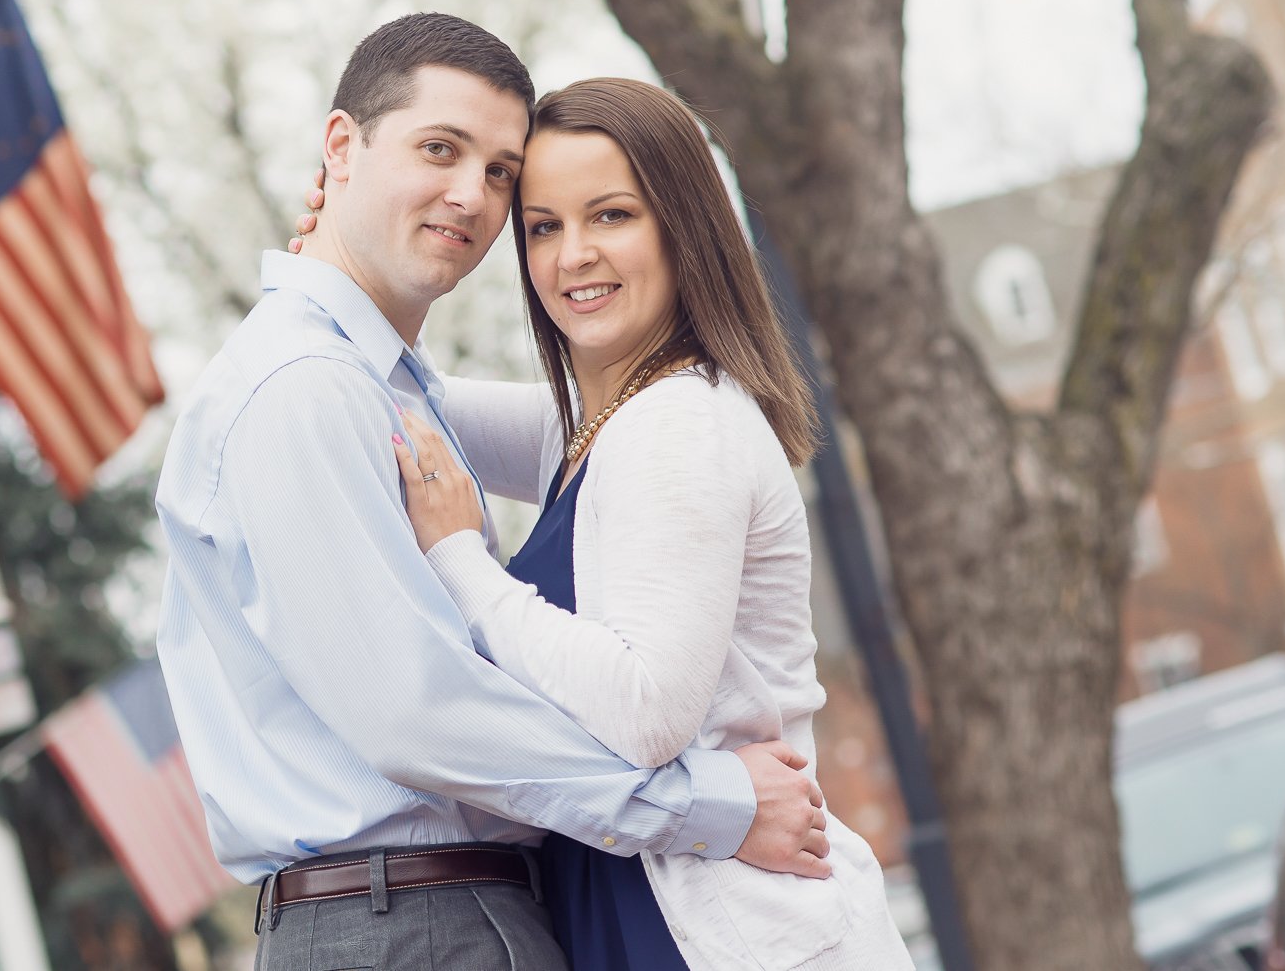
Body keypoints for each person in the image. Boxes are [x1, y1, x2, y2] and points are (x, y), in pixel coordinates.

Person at [155, 15, 832, 971]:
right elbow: (415, 712)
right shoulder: (307, 387)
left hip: (455, 910)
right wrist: (707, 804)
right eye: (440, 149)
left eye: (501, 174)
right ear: (341, 147)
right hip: (412, 920)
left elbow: (530, 434)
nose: (471, 194)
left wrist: (337, 300)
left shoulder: (631, 416)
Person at [367, 77, 911, 969]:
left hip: (724, 921)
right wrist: (345, 254)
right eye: (543, 227)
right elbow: (409, 399)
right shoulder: (600, 426)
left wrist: (463, 561)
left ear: (683, 225)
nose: (573, 254)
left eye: (611, 215)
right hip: (644, 906)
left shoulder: (679, 422)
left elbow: (649, 711)